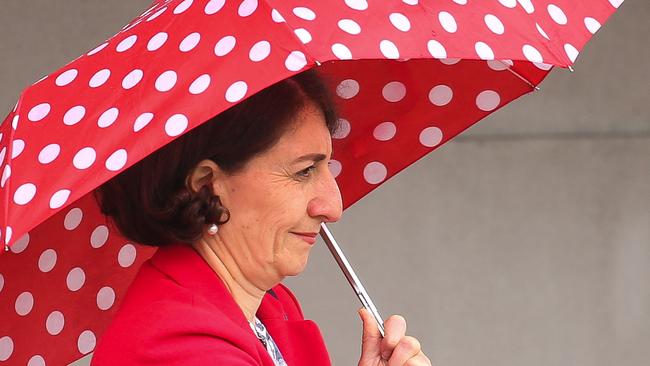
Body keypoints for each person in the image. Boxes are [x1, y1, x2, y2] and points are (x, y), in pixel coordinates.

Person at [91, 70, 431, 366]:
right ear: (208, 185)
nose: (333, 206)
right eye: (303, 171)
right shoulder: (178, 348)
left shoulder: (268, 306)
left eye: (326, 166)